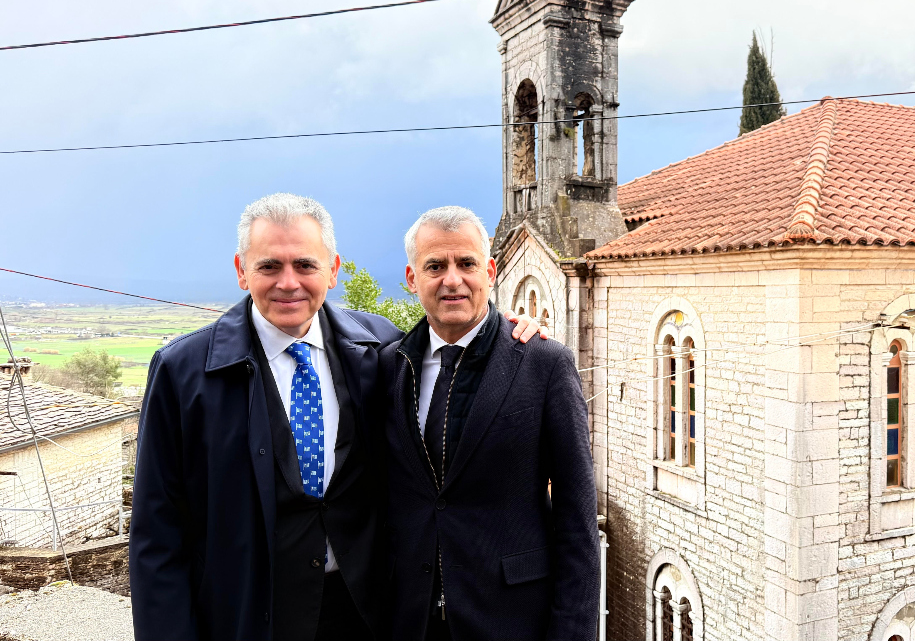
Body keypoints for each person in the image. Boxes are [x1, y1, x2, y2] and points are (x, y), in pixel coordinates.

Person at [130, 193, 544, 641]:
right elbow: (157, 532)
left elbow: (455, 345)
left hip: (365, 615)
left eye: (305, 265)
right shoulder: (184, 371)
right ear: (241, 271)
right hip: (247, 617)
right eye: (269, 266)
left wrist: (507, 333)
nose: (288, 282)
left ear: (332, 270)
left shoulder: (380, 348)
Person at [375, 206, 599, 641]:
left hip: (512, 621)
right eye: (435, 266)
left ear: (490, 271)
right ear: (412, 278)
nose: (452, 280)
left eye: (467, 263)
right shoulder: (390, 367)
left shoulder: (544, 364)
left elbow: (577, 520)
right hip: (410, 620)